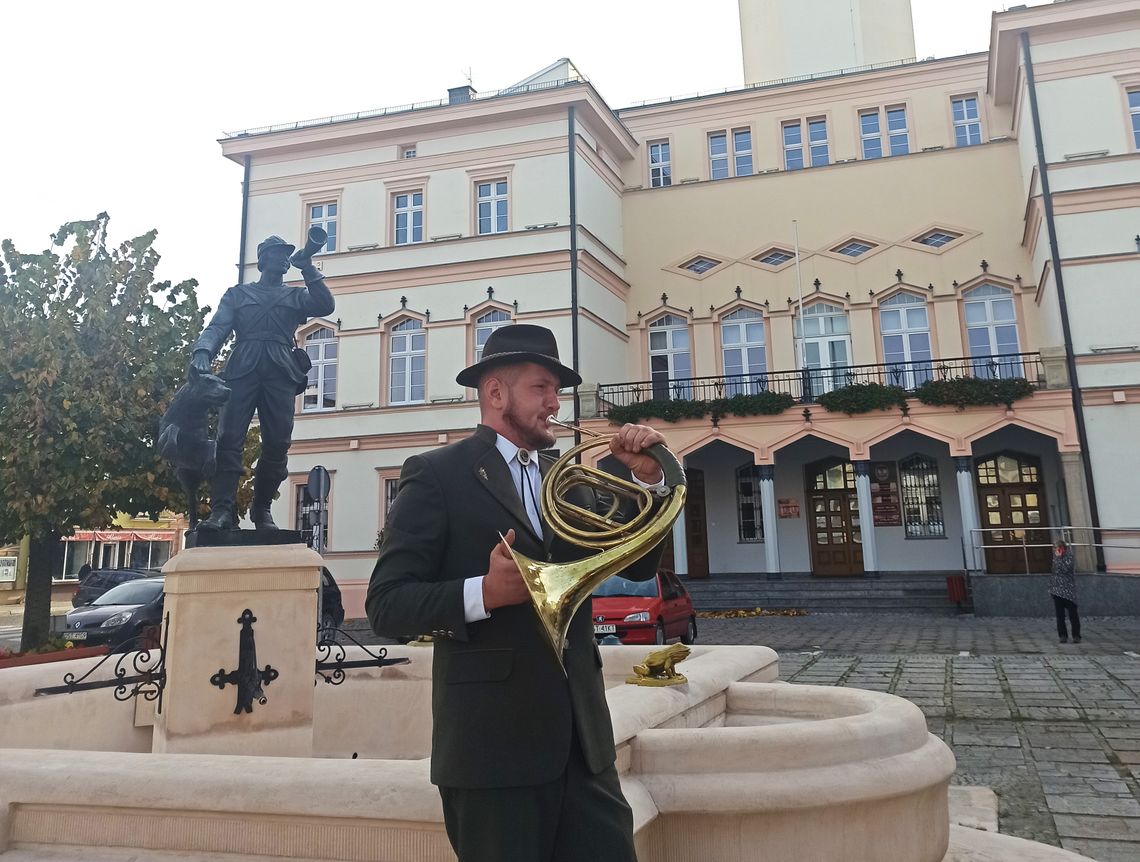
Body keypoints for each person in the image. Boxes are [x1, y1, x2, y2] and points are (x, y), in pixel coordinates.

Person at [367, 324, 669, 862]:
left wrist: (649, 483)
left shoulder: (567, 477)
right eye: (541, 388)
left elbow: (639, 564)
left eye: (558, 390)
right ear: (496, 393)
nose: (555, 403)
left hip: (585, 747)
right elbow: (386, 605)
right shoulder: (437, 475)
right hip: (492, 755)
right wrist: (483, 592)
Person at [187, 236, 334, 531]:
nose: (283, 259)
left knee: (278, 443)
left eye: (287, 255)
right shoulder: (238, 294)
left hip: (280, 371)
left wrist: (306, 267)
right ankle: (221, 511)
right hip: (242, 367)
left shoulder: (294, 296)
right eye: (279, 254)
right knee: (229, 439)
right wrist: (202, 352)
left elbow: (325, 304)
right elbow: (217, 327)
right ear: (263, 259)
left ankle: (262, 509)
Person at [1049, 539, 1080, 644]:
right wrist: (1058, 559)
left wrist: (1059, 559)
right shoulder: (1055, 557)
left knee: (1073, 614)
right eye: (1054, 548)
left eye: (1057, 548)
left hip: (1068, 590)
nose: (1055, 550)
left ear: (1062, 548)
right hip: (1057, 590)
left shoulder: (1069, 556)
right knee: (1060, 615)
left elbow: (1066, 569)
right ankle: (1062, 635)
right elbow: (1055, 570)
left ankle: (1076, 635)